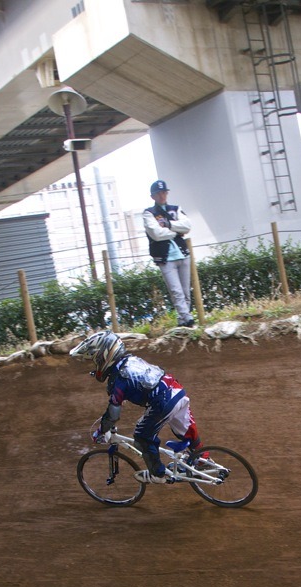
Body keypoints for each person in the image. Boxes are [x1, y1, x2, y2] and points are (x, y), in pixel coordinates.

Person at [69, 330, 203, 484]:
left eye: (95, 361)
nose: (95, 366)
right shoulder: (130, 360)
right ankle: (203, 459)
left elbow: (113, 413)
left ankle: (157, 474)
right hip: (176, 389)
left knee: (142, 435)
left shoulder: (119, 378)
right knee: (184, 429)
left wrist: (102, 430)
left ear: (103, 356)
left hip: (163, 401)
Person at [143, 179, 195, 327]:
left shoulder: (176, 208)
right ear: (153, 196)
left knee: (185, 291)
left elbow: (187, 226)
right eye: (158, 193)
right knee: (176, 290)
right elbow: (156, 233)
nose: (162, 195)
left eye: (164, 192)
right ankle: (188, 319)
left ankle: (182, 320)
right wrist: (176, 232)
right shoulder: (149, 213)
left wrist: (169, 225)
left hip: (182, 253)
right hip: (165, 257)